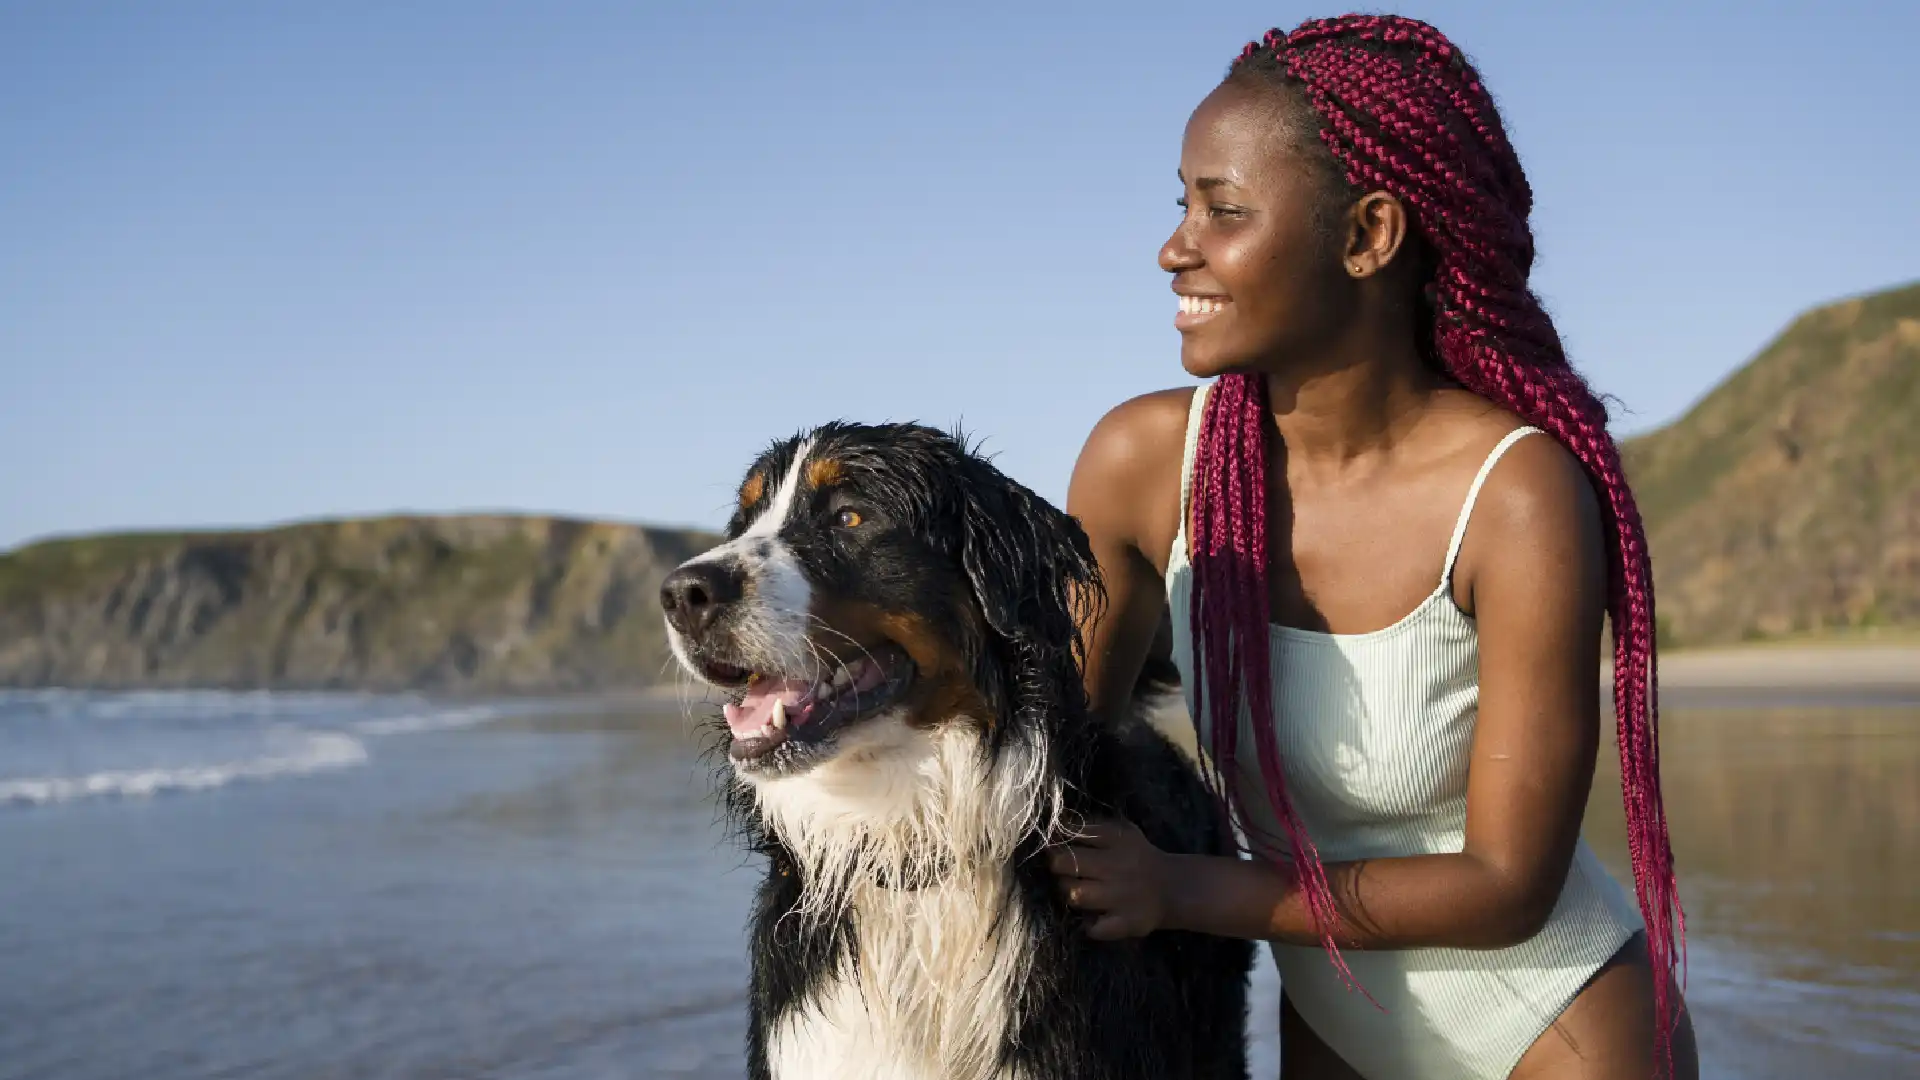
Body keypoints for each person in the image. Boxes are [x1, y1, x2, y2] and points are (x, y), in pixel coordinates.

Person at [1050, 15, 1697, 1080]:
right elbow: (1050, 750)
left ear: (1368, 236)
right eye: (1182, 205)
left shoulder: (1516, 493)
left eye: (1224, 210)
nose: (1176, 247)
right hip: (1337, 1026)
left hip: (1554, 1029)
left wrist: (1180, 889)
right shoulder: (1144, 464)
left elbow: (1506, 884)